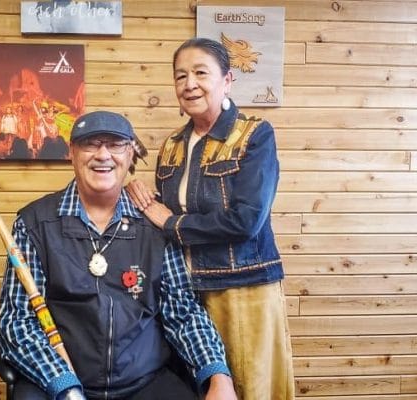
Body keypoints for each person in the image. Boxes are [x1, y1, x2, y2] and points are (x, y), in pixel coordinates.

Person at [0, 110, 237, 400]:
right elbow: (17, 323)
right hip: (58, 381)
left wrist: (217, 374)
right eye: (90, 144)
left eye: (115, 144)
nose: (103, 154)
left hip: (144, 382)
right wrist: (65, 386)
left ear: (131, 154)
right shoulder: (34, 224)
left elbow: (182, 312)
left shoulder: (155, 224)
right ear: (71, 153)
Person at [126, 37, 295, 399]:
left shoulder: (254, 134)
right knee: (198, 386)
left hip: (244, 288)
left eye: (201, 73)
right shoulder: (172, 144)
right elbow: (166, 214)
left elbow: (246, 221)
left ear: (227, 80)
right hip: (185, 293)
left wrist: (171, 224)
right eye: (180, 76)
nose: (189, 84)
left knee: (251, 388)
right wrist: (139, 194)